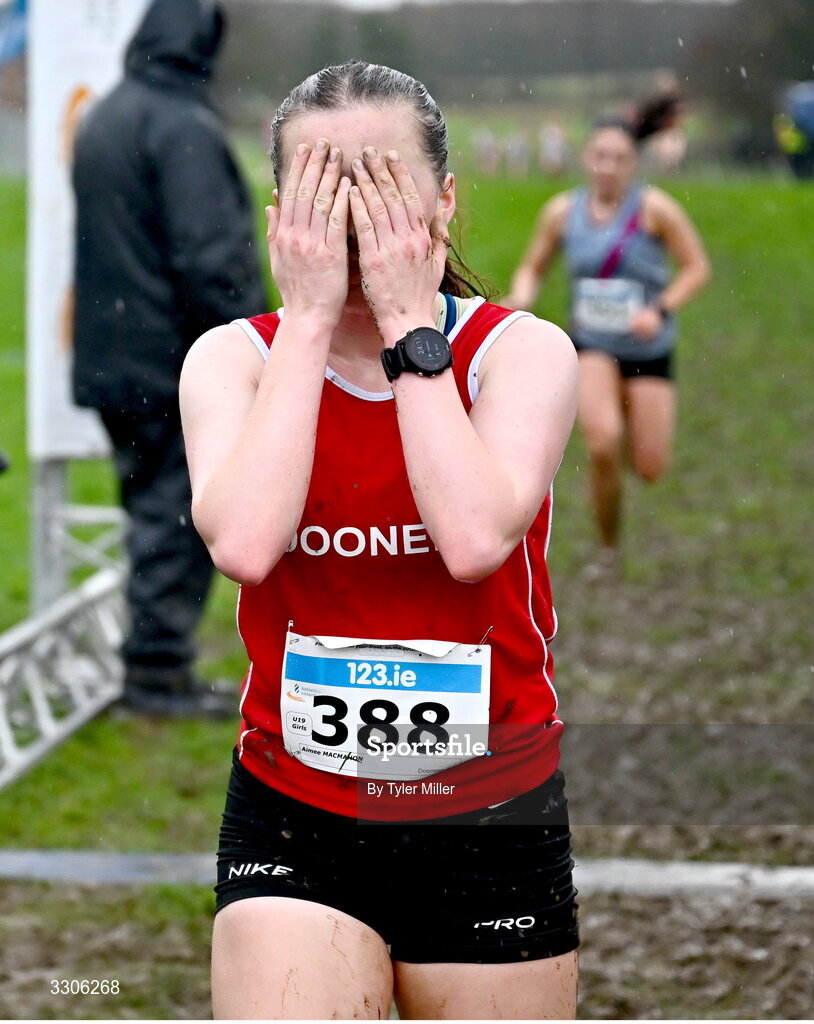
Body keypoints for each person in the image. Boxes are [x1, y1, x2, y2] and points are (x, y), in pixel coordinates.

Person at [180, 61, 580, 1019]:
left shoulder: (523, 353)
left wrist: (408, 322)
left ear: (444, 200)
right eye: (326, 191)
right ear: (282, 212)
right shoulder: (231, 360)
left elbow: (474, 536)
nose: (355, 220)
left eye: (383, 187)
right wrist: (312, 319)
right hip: (298, 809)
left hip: (490, 812)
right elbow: (242, 541)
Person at [71, 0, 267, 716]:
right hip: (170, 364)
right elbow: (211, 257)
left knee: (150, 507)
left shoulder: (110, 115)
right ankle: (155, 674)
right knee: (180, 513)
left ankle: (153, 662)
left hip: (112, 356)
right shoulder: (180, 125)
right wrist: (258, 348)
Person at [504, 97, 711, 571]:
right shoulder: (562, 212)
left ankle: (626, 417)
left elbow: (696, 268)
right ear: (585, 158)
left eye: (618, 158)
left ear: (633, 163)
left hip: (647, 345)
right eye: (599, 156)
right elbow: (533, 267)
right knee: (601, 444)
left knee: (650, 467)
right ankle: (609, 547)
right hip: (592, 343)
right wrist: (523, 295)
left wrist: (660, 308)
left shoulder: (655, 208)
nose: (607, 167)